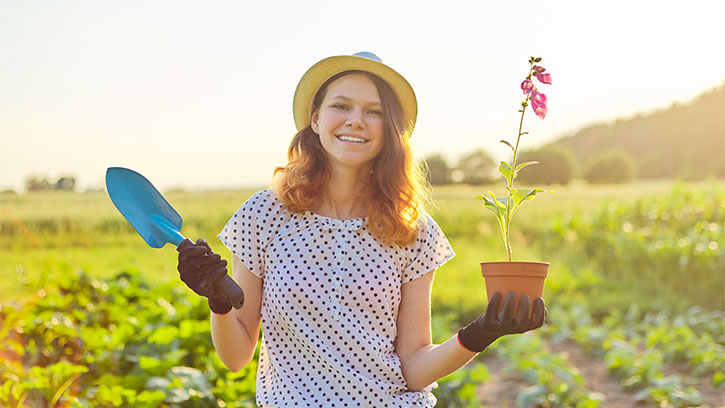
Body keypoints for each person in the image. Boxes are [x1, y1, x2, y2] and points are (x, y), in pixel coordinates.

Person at [176, 52, 546, 407]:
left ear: (390, 131)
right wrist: (219, 300)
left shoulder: (413, 230)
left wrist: (482, 331)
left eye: (375, 112)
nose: (356, 120)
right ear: (316, 119)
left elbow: (415, 370)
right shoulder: (265, 214)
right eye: (342, 106)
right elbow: (236, 356)